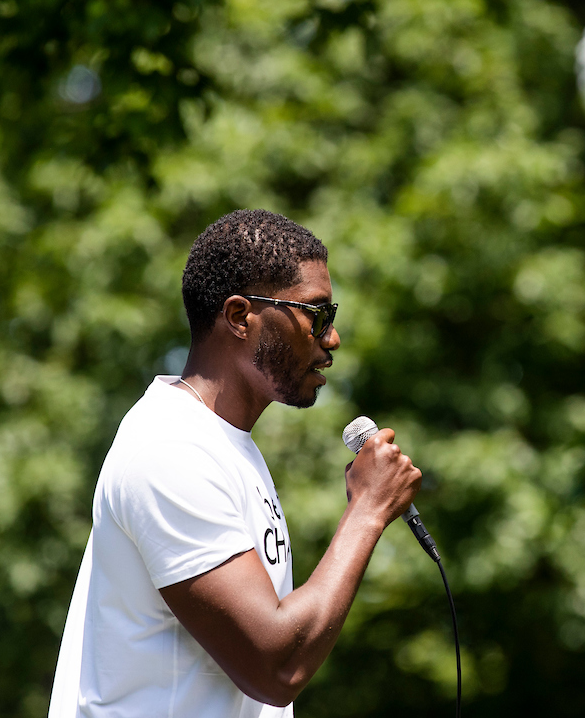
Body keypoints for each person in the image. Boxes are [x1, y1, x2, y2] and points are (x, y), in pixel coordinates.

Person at [49, 209, 422, 717]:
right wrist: (369, 510)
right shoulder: (169, 449)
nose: (330, 339)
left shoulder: (223, 446)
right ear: (240, 316)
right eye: (316, 314)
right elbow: (275, 667)